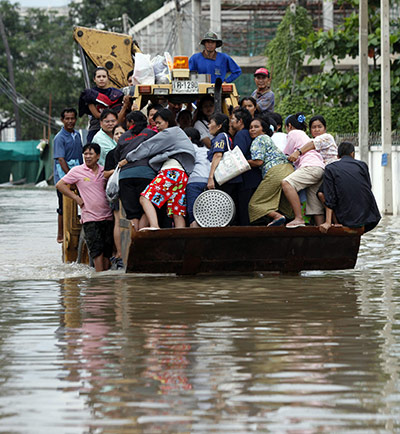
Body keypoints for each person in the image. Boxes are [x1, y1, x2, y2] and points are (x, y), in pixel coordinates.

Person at [123, 109, 196, 230]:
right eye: (155, 124)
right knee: (176, 211)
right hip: (182, 175)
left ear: (168, 122)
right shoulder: (179, 134)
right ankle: (181, 243)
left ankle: (154, 225)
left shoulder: (169, 133)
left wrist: (129, 158)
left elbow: (148, 147)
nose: (157, 126)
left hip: (171, 173)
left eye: (159, 123)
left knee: (145, 198)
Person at [56, 143, 114, 272]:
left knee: (107, 251)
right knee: (96, 250)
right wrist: (76, 198)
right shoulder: (77, 171)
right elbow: (60, 185)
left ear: (98, 156)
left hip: (107, 216)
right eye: (85, 154)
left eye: (91, 154)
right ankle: (99, 279)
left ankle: (106, 281)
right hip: (90, 217)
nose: (87, 157)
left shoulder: (103, 171)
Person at [319, 141, 381, 234]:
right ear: (352, 154)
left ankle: (336, 223)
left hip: (345, 219)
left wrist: (328, 222)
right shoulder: (362, 165)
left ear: (338, 156)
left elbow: (329, 196)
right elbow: (368, 186)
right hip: (370, 217)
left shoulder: (330, 168)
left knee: (320, 193)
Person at [114, 112, 157, 230]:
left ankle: (134, 239)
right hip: (146, 175)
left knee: (133, 214)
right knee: (147, 208)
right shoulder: (151, 134)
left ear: (131, 122)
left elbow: (117, 156)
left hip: (125, 177)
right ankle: (141, 239)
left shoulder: (123, 136)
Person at [281, 113, 325, 228]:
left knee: (286, 183)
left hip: (310, 166)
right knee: (314, 204)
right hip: (319, 168)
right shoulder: (304, 135)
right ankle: (321, 230)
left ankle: (298, 218)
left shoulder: (293, 133)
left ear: (289, 126)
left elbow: (287, 154)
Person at [248, 118, 294, 226]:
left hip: (276, 171)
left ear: (263, 129)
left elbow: (258, 162)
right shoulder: (268, 139)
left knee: (255, 204)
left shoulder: (259, 139)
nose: (252, 130)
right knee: (282, 204)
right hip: (289, 170)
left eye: (256, 127)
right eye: (250, 127)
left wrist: (242, 162)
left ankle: (277, 216)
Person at [53, 108, 84, 243]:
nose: (70, 121)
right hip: (64, 176)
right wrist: (71, 176)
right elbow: (61, 159)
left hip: (77, 173)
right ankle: (60, 234)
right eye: (67, 119)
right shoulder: (59, 138)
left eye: (72, 118)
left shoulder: (77, 135)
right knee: (62, 206)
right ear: (62, 120)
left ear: (75, 119)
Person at [230, 108, 262, 225]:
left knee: (245, 213)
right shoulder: (248, 134)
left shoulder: (240, 134)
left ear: (240, 121)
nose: (231, 122)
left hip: (247, 180)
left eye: (233, 119)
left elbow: (239, 157)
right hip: (255, 178)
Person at [78, 67, 124, 143]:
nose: (101, 79)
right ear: (94, 79)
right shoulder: (90, 94)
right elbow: (97, 115)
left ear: (108, 78)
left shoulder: (116, 94)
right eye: (99, 77)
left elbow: (119, 115)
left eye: (104, 76)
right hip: (96, 127)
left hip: (113, 128)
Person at [103, 125, 126, 269]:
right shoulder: (112, 154)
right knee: (117, 219)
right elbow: (105, 174)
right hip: (117, 191)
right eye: (116, 134)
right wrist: (118, 168)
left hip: (128, 189)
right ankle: (119, 253)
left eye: (121, 133)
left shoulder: (130, 150)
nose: (118, 135)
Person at [184, 127, 211, 227]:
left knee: (194, 215)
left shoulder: (189, 148)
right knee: (205, 215)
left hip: (194, 183)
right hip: (208, 182)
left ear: (189, 138)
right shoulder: (206, 149)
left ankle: (195, 240)